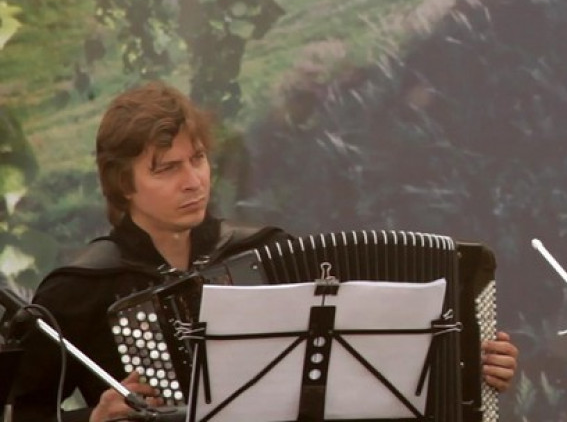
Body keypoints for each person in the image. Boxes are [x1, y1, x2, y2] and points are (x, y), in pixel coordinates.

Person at [9, 81, 520, 422]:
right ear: (123, 184)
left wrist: (469, 363)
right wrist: (92, 419)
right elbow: (21, 411)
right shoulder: (79, 290)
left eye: (198, 159)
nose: (193, 181)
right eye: (167, 169)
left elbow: (358, 375)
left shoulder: (267, 253)